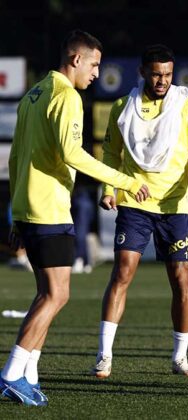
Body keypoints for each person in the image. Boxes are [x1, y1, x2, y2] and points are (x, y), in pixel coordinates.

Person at [1, 30, 150, 406]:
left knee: (47, 294)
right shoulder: (67, 96)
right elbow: (73, 153)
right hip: (49, 208)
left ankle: (29, 375)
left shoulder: (33, 95)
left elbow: (16, 157)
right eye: (95, 64)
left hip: (30, 207)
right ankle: (10, 374)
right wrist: (123, 181)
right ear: (75, 58)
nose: (98, 73)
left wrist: (16, 213)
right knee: (57, 294)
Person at [89, 44, 188, 378]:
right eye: (157, 74)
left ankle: (180, 357)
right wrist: (109, 189)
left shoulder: (187, 107)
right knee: (122, 271)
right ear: (143, 72)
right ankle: (104, 355)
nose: (162, 81)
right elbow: (111, 154)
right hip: (134, 201)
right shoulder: (123, 106)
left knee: (180, 279)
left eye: (168, 74)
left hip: (176, 205)